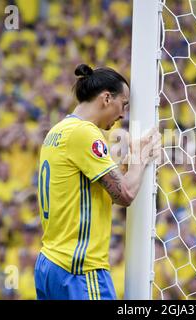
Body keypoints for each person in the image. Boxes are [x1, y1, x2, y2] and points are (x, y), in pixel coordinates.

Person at [34, 64, 161, 300]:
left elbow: (89, 194)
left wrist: (126, 166)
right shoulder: (84, 133)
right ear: (106, 98)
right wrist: (140, 159)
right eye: (123, 105)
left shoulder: (57, 131)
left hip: (50, 263)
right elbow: (124, 195)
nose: (123, 114)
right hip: (79, 270)